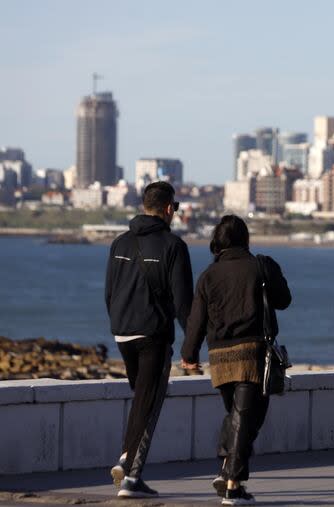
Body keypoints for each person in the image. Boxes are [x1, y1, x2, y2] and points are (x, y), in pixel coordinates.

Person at [181, 215, 291, 506]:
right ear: (245, 238)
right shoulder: (259, 265)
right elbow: (284, 300)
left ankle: (225, 468)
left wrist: (189, 354)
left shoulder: (209, 274)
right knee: (247, 417)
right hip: (251, 352)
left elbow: (197, 319)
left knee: (237, 415)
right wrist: (271, 273)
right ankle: (232, 484)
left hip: (219, 355)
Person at [104, 181, 193, 497]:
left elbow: (110, 292)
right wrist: (192, 347)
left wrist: (119, 322)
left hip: (122, 333)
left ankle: (129, 467)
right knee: (149, 401)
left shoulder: (119, 243)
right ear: (169, 208)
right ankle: (129, 469)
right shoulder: (173, 247)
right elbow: (184, 304)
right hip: (152, 334)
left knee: (142, 398)